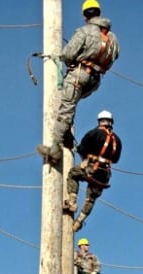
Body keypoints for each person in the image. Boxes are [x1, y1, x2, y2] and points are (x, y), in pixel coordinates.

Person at [36, 0, 119, 165]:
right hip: (95, 81)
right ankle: (66, 135)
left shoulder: (85, 31)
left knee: (65, 107)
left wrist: (67, 61)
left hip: (79, 75)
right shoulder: (112, 37)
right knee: (70, 105)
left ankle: (54, 148)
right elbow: (114, 56)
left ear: (84, 16)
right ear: (99, 13)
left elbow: (67, 54)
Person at [64, 110, 122, 231]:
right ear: (111, 122)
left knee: (73, 174)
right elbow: (115, 159)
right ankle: (79, 221)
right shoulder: (117, 140)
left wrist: (84, 160)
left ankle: (72, 202)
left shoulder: (94, 133)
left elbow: (81, 149)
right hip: (105, 174)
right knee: (90, 198)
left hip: (92, 168)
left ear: (100, 121)